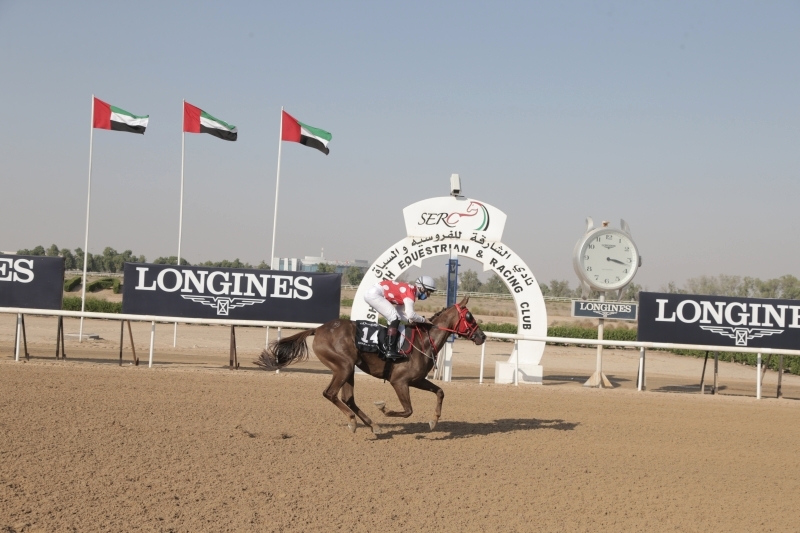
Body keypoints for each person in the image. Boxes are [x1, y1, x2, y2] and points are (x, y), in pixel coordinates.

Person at [363, 276, 437, 361]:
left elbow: (400, 312)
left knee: (394, 317)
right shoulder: (410, 293)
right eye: (429, 292)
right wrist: (423, 320)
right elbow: (410, 314)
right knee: (394, 317)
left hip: (372, 293)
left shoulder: (409, 291)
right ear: (422, 288)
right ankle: (390, 350)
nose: (428, 295)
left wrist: (409, 320)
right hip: (374, 294)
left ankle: (387, 345)